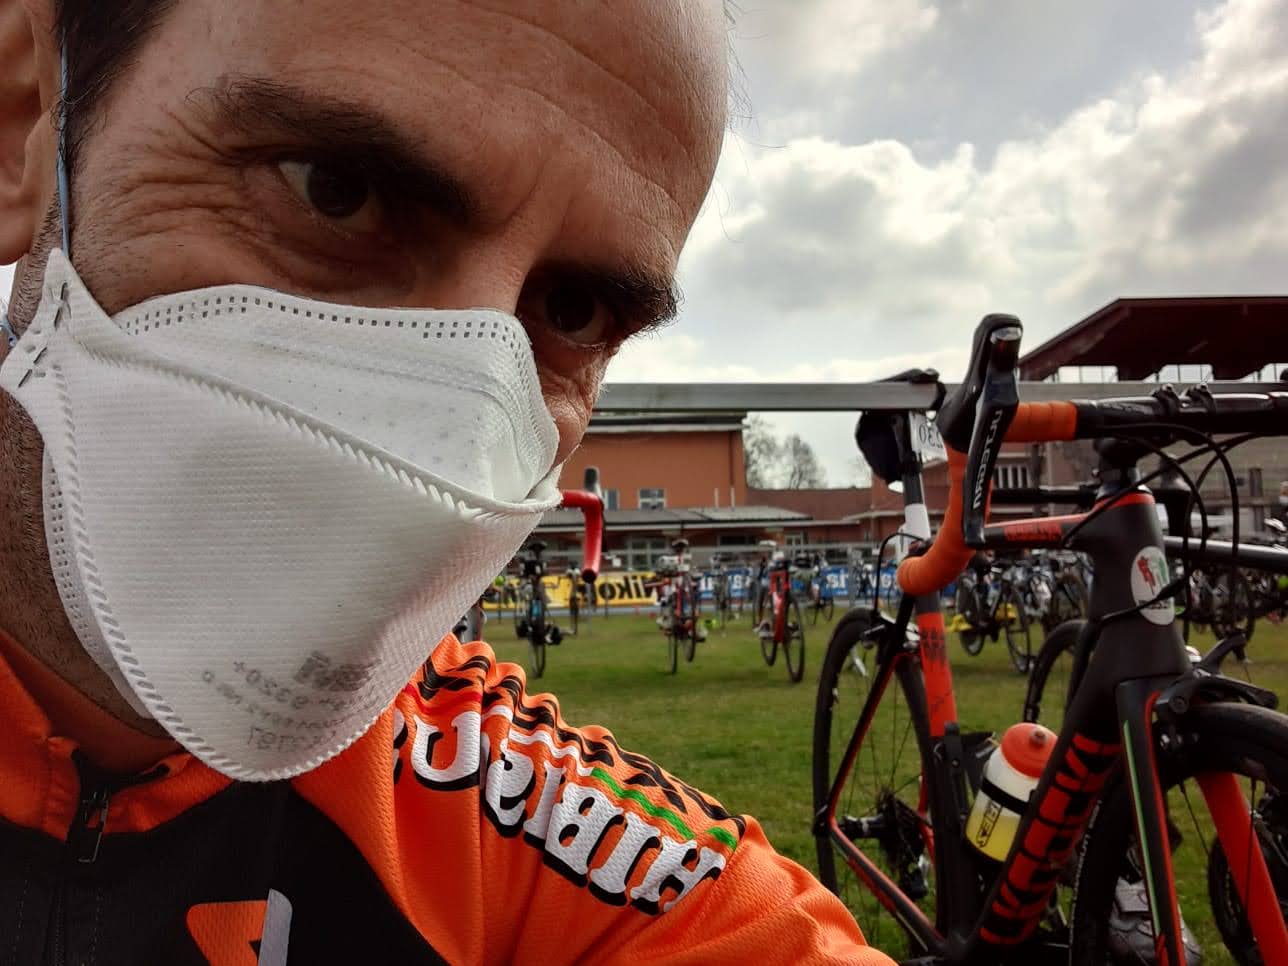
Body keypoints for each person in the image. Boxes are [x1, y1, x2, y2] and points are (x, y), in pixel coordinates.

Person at [0, 1, 891, 962]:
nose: (456, 439)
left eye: (573, 310)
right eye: (337, 192)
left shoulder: (517, 831)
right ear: (23, 116)